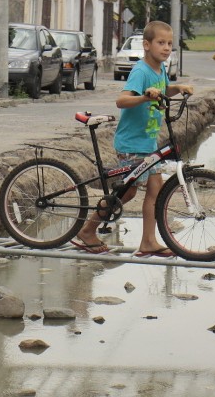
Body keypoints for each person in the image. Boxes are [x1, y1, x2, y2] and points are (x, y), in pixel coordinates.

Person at [72, 20, 194, 257]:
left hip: (148, 143)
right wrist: (145, 98)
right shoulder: (141, 70)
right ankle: (88, 230)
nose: (167, 48)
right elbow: (122, 100)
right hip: (131, 144)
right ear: (147, 45)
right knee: (126, 193)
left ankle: (148, 241)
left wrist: (178, 88)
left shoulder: (160, 70)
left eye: (169, 43)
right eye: (161, 43)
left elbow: (162, 89)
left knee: (155, 191)